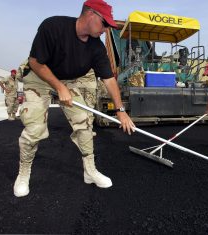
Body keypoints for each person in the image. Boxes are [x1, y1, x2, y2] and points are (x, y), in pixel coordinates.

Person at [13, 0, 135, 197]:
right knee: (35, 128)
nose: (105, 30)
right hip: (39, 77)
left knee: (84, 122)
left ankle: (90, 171)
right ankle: (24, 173)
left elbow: (109, 79)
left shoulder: (96, 47)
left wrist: (120, 111)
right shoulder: (53, 27)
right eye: (104, 24)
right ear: (91, 14)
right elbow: (35, 62)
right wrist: (59, 87)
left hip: (69, 80)